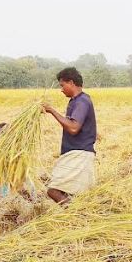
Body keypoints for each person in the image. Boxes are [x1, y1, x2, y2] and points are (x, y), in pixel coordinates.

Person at [42, 67, 97, 205]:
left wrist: (51, 110)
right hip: (75, 152)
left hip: (78, 153)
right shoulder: (77, 101)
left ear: (71, 82)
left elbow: (73, 128)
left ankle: (73, 215)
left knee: (53, 190)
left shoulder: (81, 101)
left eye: (62, 85)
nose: (61, 89)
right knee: (70, 193)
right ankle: (76, 216)